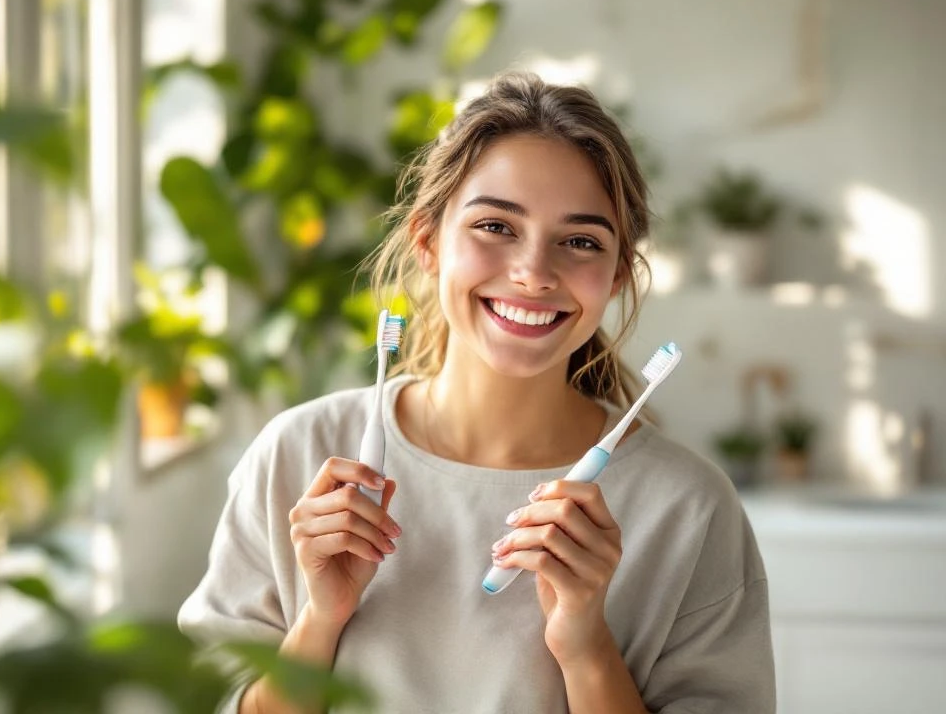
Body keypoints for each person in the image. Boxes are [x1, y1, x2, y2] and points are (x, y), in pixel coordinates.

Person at [178, 72, 776, 714]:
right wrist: (319, 622)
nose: (532, 274)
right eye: (496, 226)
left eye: (580, 242)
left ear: (617, 274)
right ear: (429, 242)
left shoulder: (688, 508)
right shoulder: (298, 456)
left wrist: (585, 647)